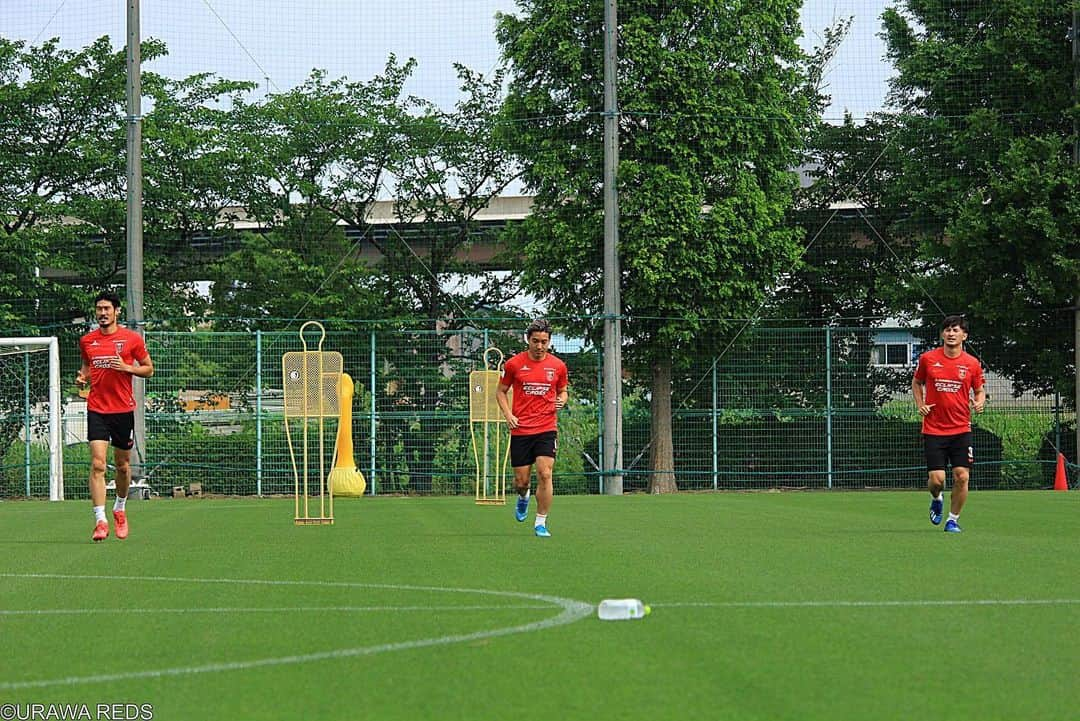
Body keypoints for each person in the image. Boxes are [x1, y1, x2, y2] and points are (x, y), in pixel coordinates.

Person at [76, 291, 154, 542]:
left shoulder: (131, 339)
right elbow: (87, 366)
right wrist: (82, 377)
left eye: (107, 308)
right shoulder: (87, 341)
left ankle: (120, 509)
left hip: (122, 411)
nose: (102, 313)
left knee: (122, 466)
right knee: (98, 464)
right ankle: (100, 521)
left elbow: (149, 369)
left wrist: (128, 367)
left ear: (117, 311)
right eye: (99, 309)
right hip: (97, 408)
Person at [911, 315, 985, 533]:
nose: (951, 334)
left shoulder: (972, 363)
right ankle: (936, 498)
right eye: (947, 330)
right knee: (937, 480)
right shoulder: (927, 359)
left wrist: (979, 403)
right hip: (934, 429)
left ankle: (953, 519)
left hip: (961, 429)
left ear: (964, 336)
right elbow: (917, 382)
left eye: (956, 330)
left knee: (962, 476)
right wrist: (921, 403)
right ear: (943, 334)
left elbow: (979, 390)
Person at [496, 319, 569, 538]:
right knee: (521, 481)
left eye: (544, 342)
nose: (539, 346)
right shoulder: (514, 364)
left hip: (546, 427)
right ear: (528, 340)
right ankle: (523, 497)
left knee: (545, 473)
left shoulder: (558, 366)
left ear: (549, 342)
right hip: (521, 429)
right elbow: (500, 391)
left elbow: (563, 390)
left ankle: (540, 522)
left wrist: (563, 399)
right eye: (535, 341)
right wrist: (508, 415)